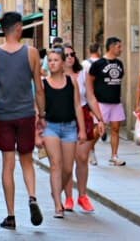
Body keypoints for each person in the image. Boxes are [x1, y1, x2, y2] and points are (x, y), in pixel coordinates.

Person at [0, 11, 46, 230]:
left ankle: (11, 215)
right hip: (26, 113)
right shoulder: (31, 53)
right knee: (27, 160)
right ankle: (32, 197)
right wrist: (42, 114)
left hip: (4, 114)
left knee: (7, 164)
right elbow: (39, 88)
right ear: (19, 28)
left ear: (2, 30)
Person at [40, 47, 86, 219]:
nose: (52, 63)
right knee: (55, 164)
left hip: (69, 127)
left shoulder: (71, 81)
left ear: (62, 63)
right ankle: (58, 205)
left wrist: (82, 129)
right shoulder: (43, 84)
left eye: (56, 60)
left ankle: (56, 191)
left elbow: (77, 106)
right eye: (50, 60)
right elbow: (38, 108)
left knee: (67, 168)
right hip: (50, 127)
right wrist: (37, 131)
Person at [62, 44, 105, 212]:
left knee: (82, 157)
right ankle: (68, 197)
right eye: (66, 55)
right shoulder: (56, 76)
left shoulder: (82, 74)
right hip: (64, 118)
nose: (70, 57)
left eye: (72, 54)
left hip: (84, 116)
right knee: (66, 162)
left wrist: (99, 119)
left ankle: (82, 196)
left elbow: (90, 96)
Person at [86, 37, 126, 166]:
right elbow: (90, 82)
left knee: (115, 128)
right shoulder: (98, 64)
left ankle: (114, 156)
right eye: (119, 47)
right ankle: (90, 149)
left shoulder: (119, 63)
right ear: (111, 47)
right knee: (99, 130)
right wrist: (91, 101)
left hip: (115, 101)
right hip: (101, 101)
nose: (121, 49)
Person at [83, 43, 102, 165]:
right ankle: (90, 150)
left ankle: (91, 150)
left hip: (88, 97)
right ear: (99, 50)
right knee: (97, 126)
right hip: (99, 96)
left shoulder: (83, 64)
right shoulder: (103, 63)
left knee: (93, 126)